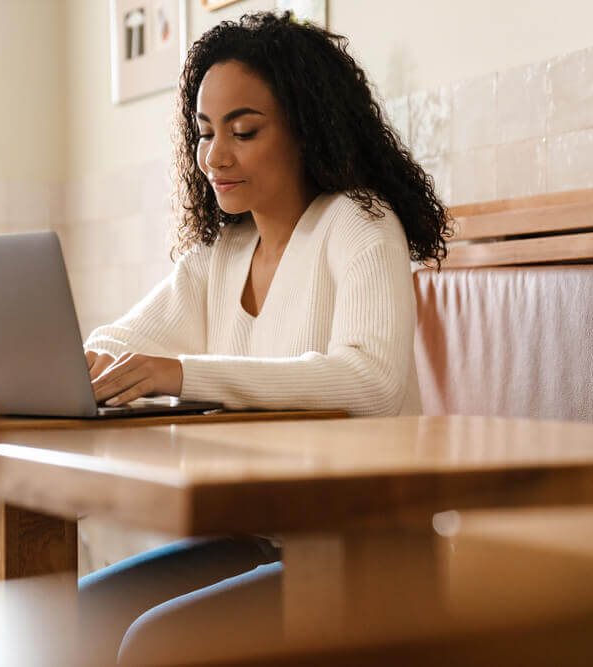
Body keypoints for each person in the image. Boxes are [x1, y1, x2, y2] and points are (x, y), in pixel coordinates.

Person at [79, 11, 451, 664]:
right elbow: (119, 344)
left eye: (243, 131)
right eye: (204, 132)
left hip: (369, 550)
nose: (214, 155)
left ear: (306, 129)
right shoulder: (220, 256)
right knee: (76, 614)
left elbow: (370, 381)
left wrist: (183, 373)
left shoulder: (360, 225)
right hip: (262, 538)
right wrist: (78, 363)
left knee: (156, 643)